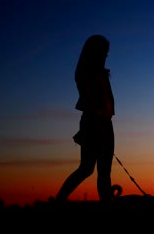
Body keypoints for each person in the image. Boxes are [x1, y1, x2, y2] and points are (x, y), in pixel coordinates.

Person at [55, 34, 115, 205]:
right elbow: (90, 100)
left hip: (104, 123)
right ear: (94, 51)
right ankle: (58, 201)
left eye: (107, 53)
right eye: (103, 52)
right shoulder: (86, 72)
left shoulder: (101, 74)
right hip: (94, 122)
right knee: (87, 169)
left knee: (102, 171)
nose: (106, 56)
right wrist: (96, 125)